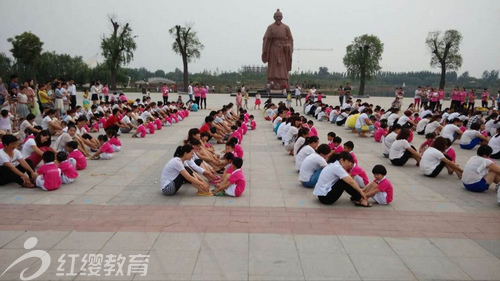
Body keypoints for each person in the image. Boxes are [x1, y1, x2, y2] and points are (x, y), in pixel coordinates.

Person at [261, 9, 294, 89]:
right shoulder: (270, 27)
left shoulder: (286, 28)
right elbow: (265, 38)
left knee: (283, 66)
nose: (278, 18)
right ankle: (271, 81)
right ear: (274, 17)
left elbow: (290, 39)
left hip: (283, 50)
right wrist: (269, 38)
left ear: (282, 17)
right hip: (273, 48)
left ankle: (283, 81)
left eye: (279, 17)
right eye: (276, 17)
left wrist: (288, 47)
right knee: (273, 66)